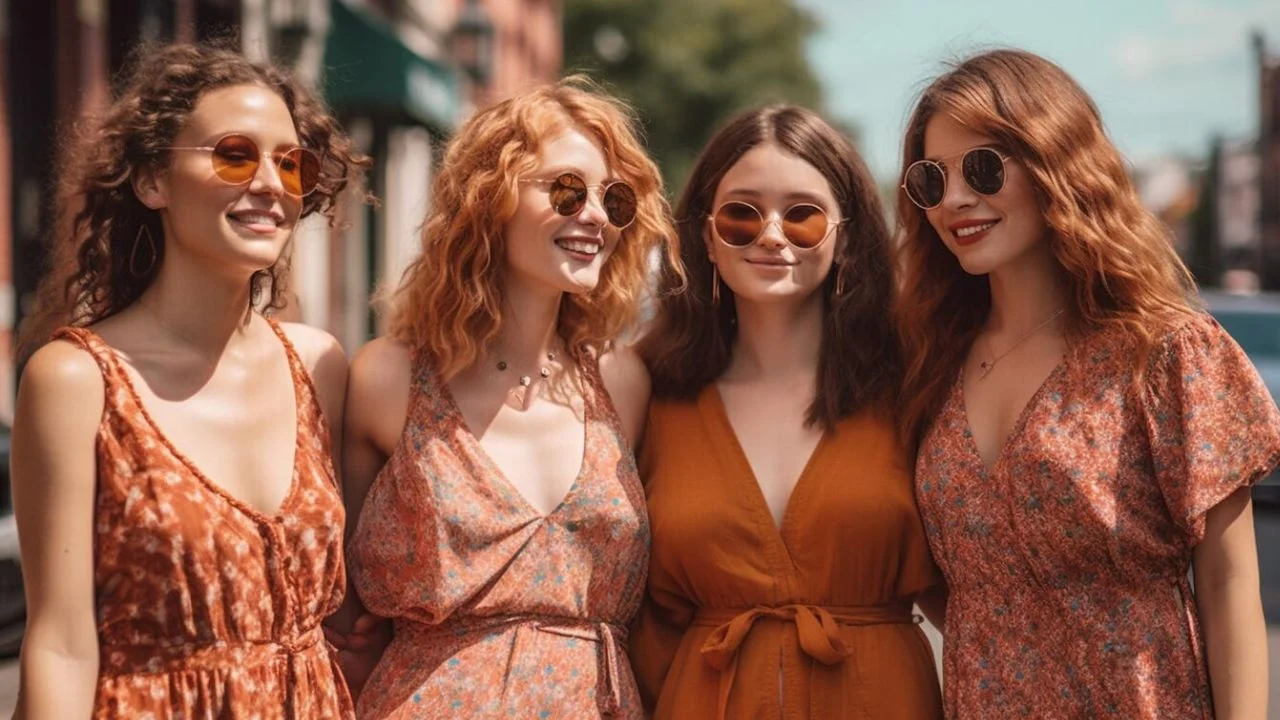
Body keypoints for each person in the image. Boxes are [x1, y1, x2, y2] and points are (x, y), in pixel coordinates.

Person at [896, 48, 1275, 718]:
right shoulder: (929, 364)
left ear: (1055, 164)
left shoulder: (1161, 351)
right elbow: (933, 577)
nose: (954, 198)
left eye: (983, 168)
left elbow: (1229, 583)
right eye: (931, 180)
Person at [10, 41, 368, 718]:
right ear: (152, 182)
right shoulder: (79, 379)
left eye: (291, 164)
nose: (270, 183)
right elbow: (60, 642)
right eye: (235, 154)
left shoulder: (319, 366)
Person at [337, 77, 678, 718]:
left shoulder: (622, 381)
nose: (597, 215)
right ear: (487, 197)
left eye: (616, 199)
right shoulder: (389, 379)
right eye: (567, 190)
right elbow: (338, 603)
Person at [630, 105, 944, 719]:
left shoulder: (913, 383)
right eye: (741, 215)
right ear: (704, 236)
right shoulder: (648, 390)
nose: (771, 234)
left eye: (803, 216)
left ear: (845, 235)